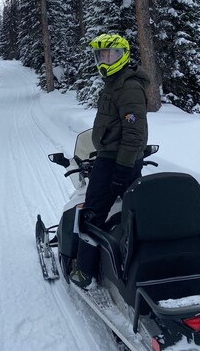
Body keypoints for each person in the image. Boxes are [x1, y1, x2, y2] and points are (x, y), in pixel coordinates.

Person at [70, 33, 149, 289]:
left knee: (92, 213)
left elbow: (135, 133)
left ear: (122, 55)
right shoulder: (114, 83)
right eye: (101, 55)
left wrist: (122, 169)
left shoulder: (128, 87)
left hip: (116, 161)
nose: (105, 59)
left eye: (110, 54)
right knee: (124, 215)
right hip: (111, 158)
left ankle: (85, 271)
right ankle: (121, 263)